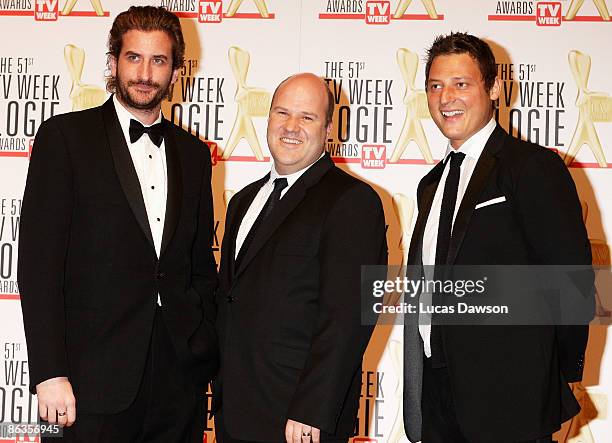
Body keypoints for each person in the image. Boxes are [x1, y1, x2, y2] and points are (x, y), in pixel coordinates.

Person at [18, 6, 218, 442]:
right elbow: (38, 267)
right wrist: (50, 373)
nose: (145, 73)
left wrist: (200, 352)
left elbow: (199, 265)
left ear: (175, 71)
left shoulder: (194, 154)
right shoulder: (65, 139)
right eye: (134, 58)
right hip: (88, 383)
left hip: (177, 382)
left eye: (159, 60)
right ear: (113, 62)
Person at [402, 32, 593, 443]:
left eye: (461, 84)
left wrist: (566, 380)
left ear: (494, 88)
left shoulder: (533, 168)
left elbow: (572, 277)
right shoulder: (430, 184)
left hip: (513, 398)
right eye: (435, 86)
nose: (445, 97)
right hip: (437, 395)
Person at [212, 73, 387, 443]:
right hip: (235, 411)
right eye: (282, 113)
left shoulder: (353, 201)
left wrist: (312, 410)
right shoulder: (243, 200)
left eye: (307, 117)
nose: (291, 127)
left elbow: (348, 317)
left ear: (328, 128)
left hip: (299, 419)